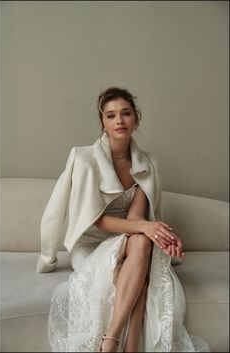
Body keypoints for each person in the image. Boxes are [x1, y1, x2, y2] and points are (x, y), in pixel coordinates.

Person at [36, 86, 210, 352]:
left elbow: (137, 217)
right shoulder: (84, 158)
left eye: (126, 113)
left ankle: (113, 341)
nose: (119, 120)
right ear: (103, 123)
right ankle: (119, 342)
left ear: (135, 119)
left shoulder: (147, 163)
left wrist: (159, 235)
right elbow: (97, 221)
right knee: (141, 249)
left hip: (128, 239)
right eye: (111, 115)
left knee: (142, 245)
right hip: (92, 245)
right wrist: (48, 257)